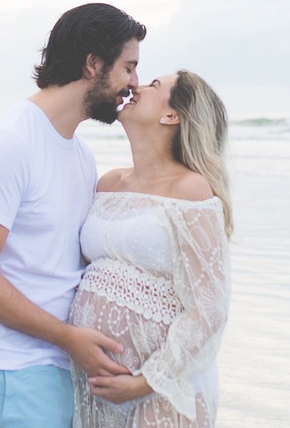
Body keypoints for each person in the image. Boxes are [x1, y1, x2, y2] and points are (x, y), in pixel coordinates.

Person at [0, 3, 148, 428]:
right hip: (6, 370)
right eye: (129, 68)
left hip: (56, 369)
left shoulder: (79, 155)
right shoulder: (10, 143)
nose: (134, 84)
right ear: (93, 64)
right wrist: (67, 338)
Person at [69, 70, 233, 428]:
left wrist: (144, 382)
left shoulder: (192, 190)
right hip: (97, 385)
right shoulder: (109, 183)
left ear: (172, 115)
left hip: (162, 390)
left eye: (154, 86)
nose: (136, 86)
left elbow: (209, 310)